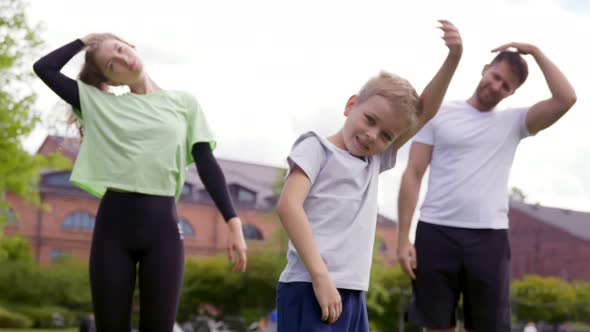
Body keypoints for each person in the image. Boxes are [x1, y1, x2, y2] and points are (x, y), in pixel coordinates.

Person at [33, 33, 248, 332]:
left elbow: (206, 163)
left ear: (131, 46)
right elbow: (44, 68)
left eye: (120, 50)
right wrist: (85, 40)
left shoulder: (183, 103)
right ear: (113, 80)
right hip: (113, 229)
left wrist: (233, 222)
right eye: (112, 63)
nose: (122, 59)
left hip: (163, 230)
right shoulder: (99, 103)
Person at [275, 20, 462, 331]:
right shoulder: (315, 147)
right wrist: (321, 277)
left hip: (352, 291)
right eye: (370, 119)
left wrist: (453, 58)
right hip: (309, 285)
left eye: (386, 135)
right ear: (351, 105)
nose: (372, 135)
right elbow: (288, 206)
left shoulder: (373, 161)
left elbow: (425, 111)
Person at [397, 42, 577, 331]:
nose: (497, 87)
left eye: (506, 86)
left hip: (488, 238)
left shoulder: (515, 122)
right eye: (495, 77)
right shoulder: (439, 114)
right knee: (436, 326)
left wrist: (536, 52)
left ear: (512, 93)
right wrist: (403, 238)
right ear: (485, 70)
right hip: (436, 231)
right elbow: (413, 173)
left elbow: (566, 98)